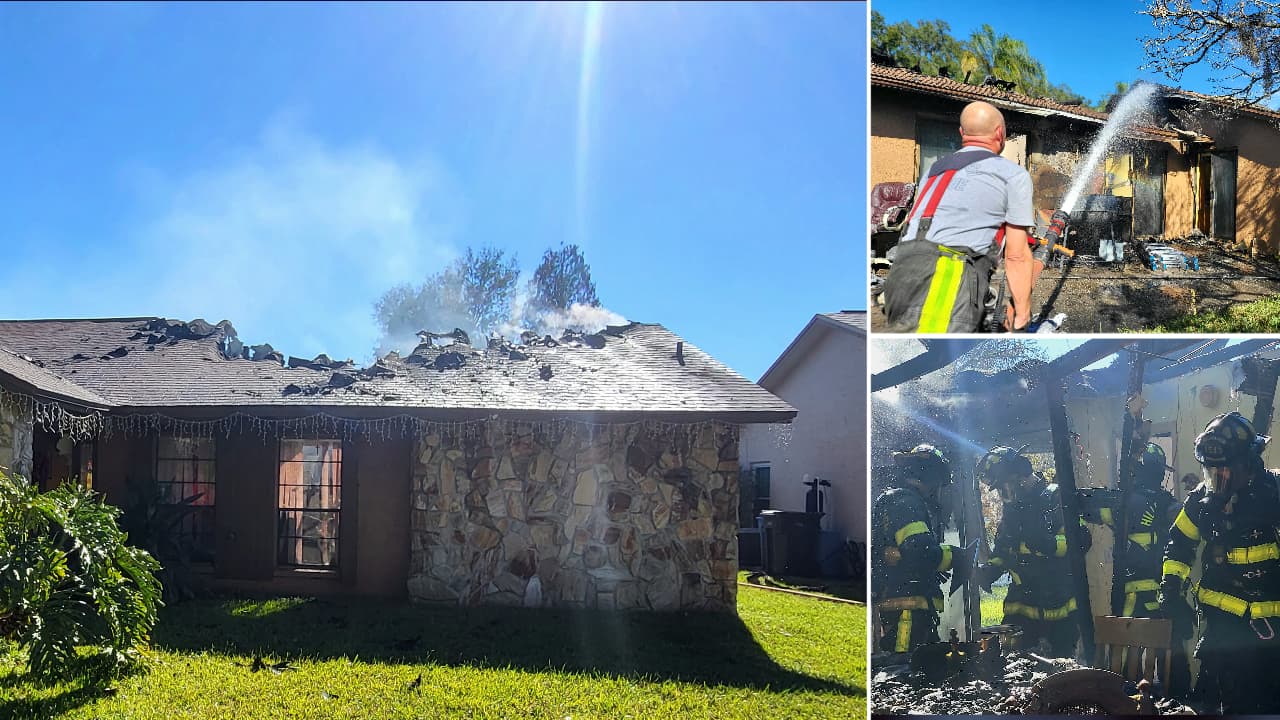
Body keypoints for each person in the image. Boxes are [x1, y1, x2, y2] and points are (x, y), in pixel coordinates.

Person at [882, 100, 1039, 333]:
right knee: (935, 358)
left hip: (900, 273)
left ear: (961, 133)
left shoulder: (934, 170)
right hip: (947, 277)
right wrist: (1022, 317)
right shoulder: (1012, 174)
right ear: (1000, 133)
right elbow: (1016, 256)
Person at [1160, 412, 1280, 714]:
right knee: (1217, 706)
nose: (1217, 479)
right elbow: (1179, 545)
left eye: (1224, 471)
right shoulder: (1202, 500)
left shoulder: (1276, 493)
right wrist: (1171, 592)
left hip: (1274, 628)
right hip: (1222, 629)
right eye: (1211, 471)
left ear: (1249, 463)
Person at [978, 445, 1088, 657]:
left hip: (1058, 603)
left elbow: (1081, 541)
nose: (1003, 494)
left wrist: (1047, 543)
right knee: (1013, 666)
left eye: (1004, 486)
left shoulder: (1056, 499)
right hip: (1020, 605)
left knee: (1059, 670)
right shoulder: (1012, 510)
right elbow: (1003, 549)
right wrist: (989, 571)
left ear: (1019, 477)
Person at [871, 444, 969, 653]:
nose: (938, 491)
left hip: (905, 603)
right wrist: (956, 556)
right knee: (905, 669)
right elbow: (920, 553)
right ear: (930, 478)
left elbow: (907, 553)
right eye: (938, 484)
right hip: (908, 609)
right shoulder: (907, 503)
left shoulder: (894, 499)